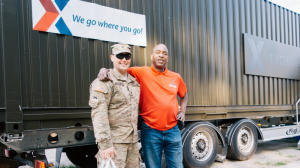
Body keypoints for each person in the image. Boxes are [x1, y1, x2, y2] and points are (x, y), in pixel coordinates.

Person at [98, 44, 188, 168]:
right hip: (151, 131)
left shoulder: (176, 77)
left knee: (177, 166)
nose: (161, 55)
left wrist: (182, 112)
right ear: (152, 56)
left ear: (167, 58)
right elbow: (119, 69)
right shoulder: (141, 72)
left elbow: (184, 94)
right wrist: (104, 70)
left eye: (165, 53)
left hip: (173, 130)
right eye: (158, 52)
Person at [89, 44, 140, 168]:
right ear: (112, 57)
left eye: (127, 56)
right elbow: (99, 115)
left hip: (132, 144)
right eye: (120, 56)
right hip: (114, 145)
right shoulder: (104, 82)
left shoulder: (134, 82)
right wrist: (106, 145)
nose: (124, 59)